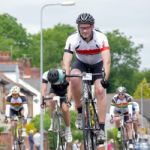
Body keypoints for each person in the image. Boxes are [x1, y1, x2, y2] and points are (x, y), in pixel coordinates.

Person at [62, 12, 111, 145]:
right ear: (78, 27)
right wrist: (66, 74)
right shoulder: (73, 39)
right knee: (74, 78)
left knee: (100, 91)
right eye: (82, 27)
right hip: (81, 64)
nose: (84, 30)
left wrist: (105, 78)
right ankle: (79, 112)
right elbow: (67, 60)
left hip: (97, 65)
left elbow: (106, 61)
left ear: (92, 26)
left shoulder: (101, 38)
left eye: (87, 27)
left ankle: (101, 128)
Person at [42, 68, 72, 143]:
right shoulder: (45, 75)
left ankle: (68, 130)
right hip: (54, 90)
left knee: (65, 109)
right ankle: (52, 122)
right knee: (51, 99)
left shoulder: (63, 74)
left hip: (65, 91)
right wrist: (43, 100)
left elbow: (70, 88)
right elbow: (44, 89)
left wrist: (68, 99)